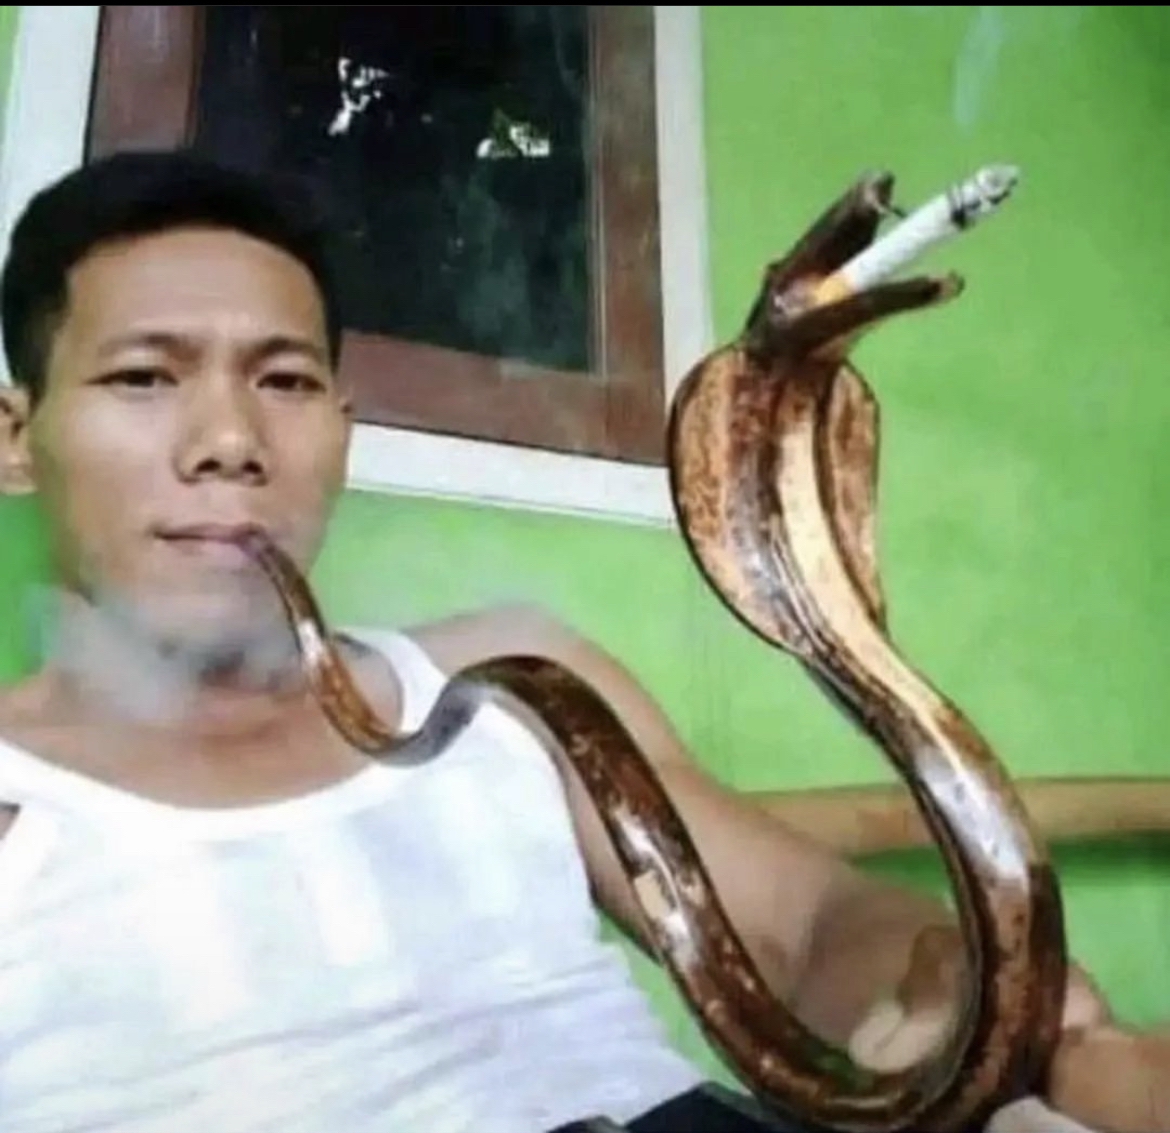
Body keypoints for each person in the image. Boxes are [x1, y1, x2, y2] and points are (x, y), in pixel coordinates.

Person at [0, 148, 1142, 1133]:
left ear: (342, 430)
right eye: (143, 376)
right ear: (15, 438)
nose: (230, 441)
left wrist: (931, 990)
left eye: (287, 380)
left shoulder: (514, 682)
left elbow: (807, 925)